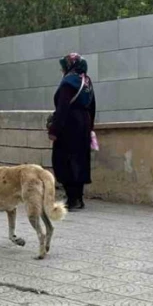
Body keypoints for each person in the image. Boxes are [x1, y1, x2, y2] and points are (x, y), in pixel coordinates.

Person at [48, 53, 96, 211]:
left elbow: (62, 109)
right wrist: (90, 128)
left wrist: (54, 130)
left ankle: (71, 198)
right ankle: (79, 198)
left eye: (63, 66)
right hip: (83, 124)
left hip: (69, 125)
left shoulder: (68, 83)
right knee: (80, 160)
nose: (62, 69)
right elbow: (92, 106)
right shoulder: (86, 81)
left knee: (64, 160)